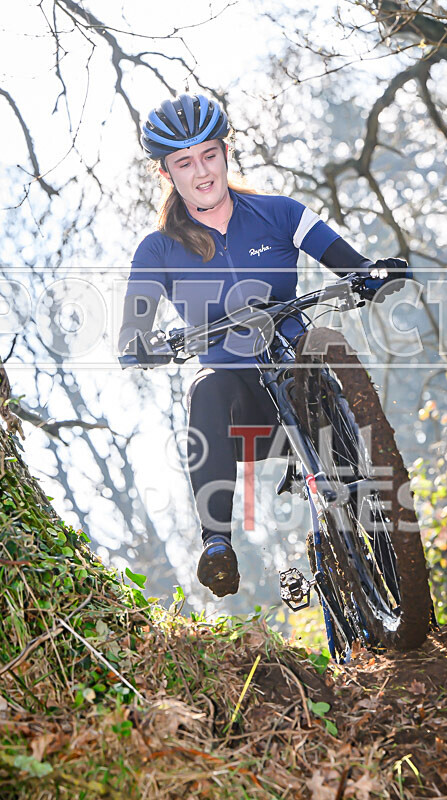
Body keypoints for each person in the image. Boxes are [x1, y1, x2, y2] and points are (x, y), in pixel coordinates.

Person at [119, 93, 410, 599]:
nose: (202, 172)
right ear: (166, 173)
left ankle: (399, 580)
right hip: (243, 416)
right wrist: (139, 344)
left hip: (300, 375)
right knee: (206, 388)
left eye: (209, 155)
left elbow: (351, 264)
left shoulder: (279, 213)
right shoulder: (158, 249)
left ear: (226, 152)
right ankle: (217, 544)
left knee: (321, 373)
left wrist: (371, 273)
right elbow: (133, 327)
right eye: (184, 163)